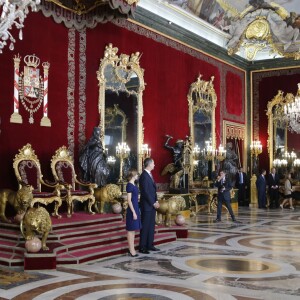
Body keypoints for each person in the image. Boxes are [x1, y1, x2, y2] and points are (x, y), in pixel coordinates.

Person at [139, 157, 160, 254]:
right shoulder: (143, 176)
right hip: (147, 205)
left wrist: (156, 201)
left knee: (151, 226)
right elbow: (146, 192)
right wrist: (153, 203)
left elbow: (153, 191)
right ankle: (142, 247)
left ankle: (150, 244)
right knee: (145, 226)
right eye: (153, 163)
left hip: (151, 205)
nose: (154, 165)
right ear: (149, 164)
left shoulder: (149, 175)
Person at [126, 169, 141, 257]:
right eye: (136, 175)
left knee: (134, 230)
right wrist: (134, 212)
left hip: (135, 207)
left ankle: (132, 248)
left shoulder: (134, 184)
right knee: (130, 230)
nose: (137, 176)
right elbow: (129, 200)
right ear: (133, 175)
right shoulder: (129, 185)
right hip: (132, 209)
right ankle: (131, 250)